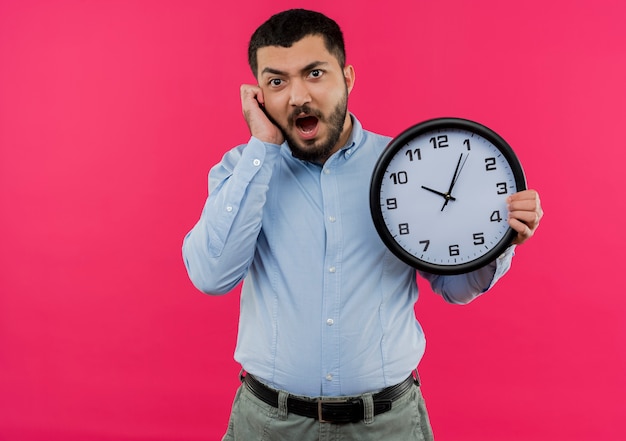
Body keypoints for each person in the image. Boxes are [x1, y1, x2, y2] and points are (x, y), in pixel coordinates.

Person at [182, 8, 543, 441]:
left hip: (386, 425)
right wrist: (261, 147)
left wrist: (501, 241)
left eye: (314, 73)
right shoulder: (243, 169)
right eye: (277, 81)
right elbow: (211, 275)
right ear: (257, 94)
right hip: (269, 425)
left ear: (347, 78)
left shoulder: (403, 165)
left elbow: (457, 289)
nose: (297, 96)